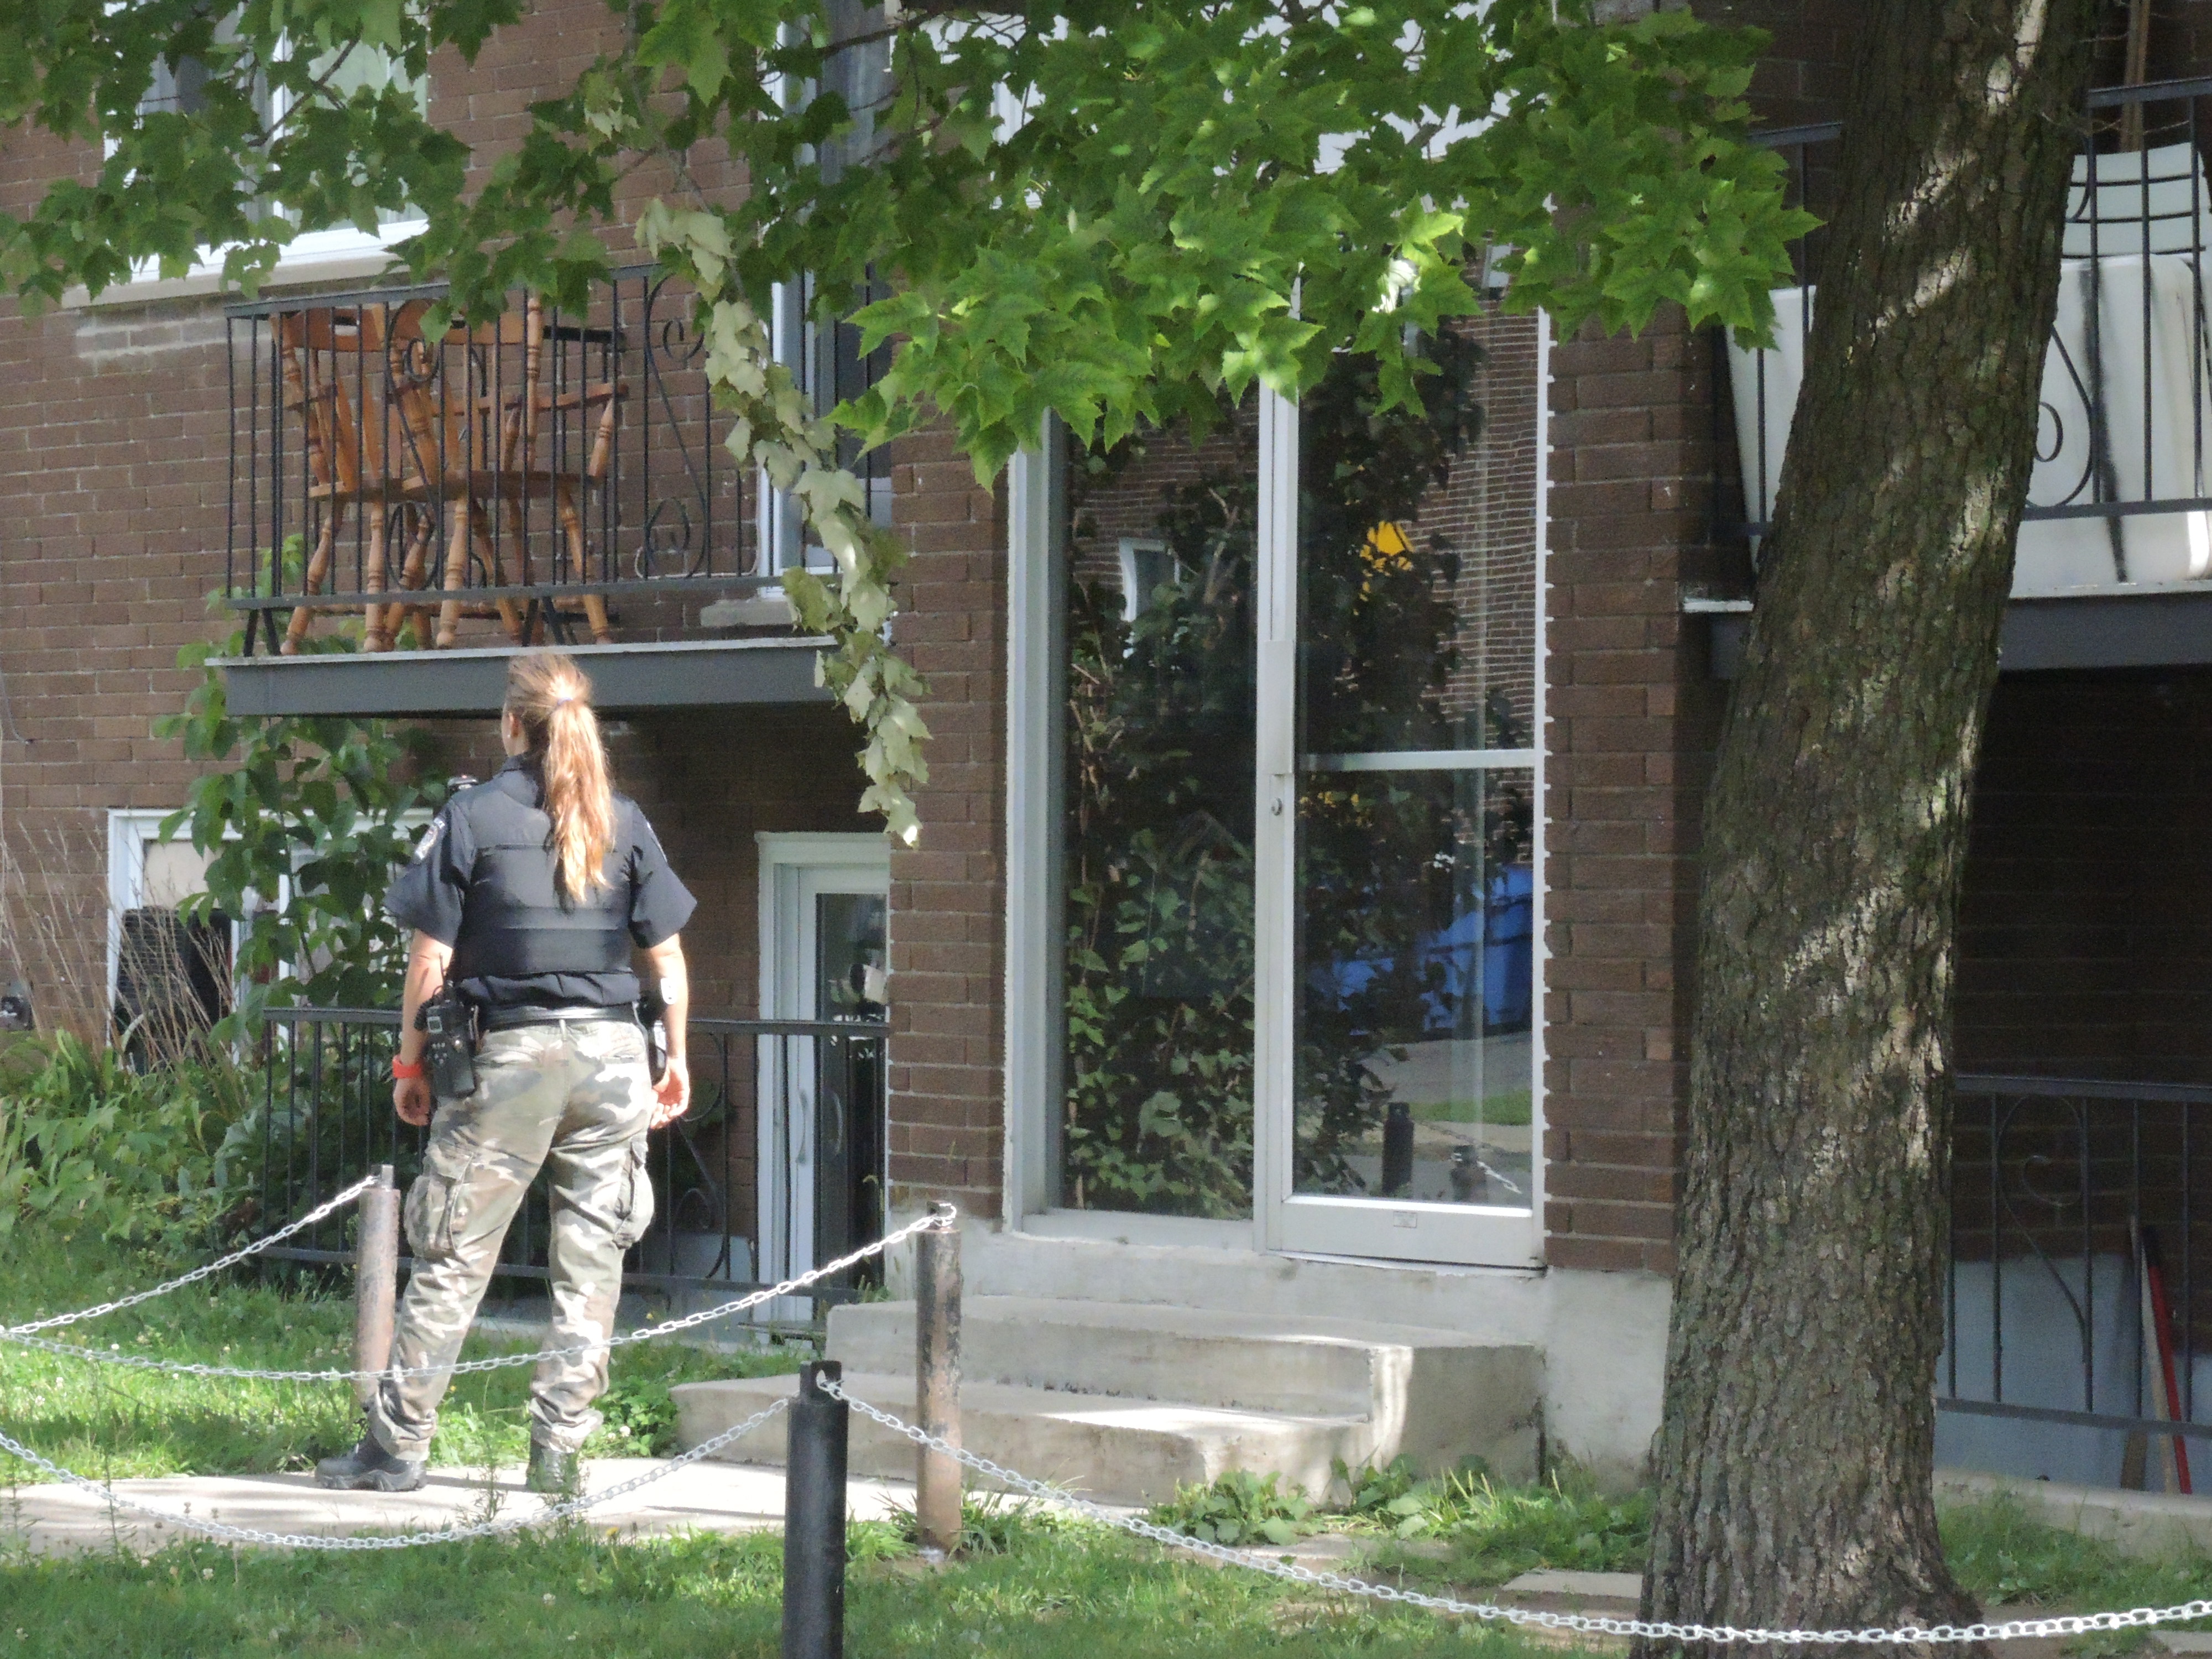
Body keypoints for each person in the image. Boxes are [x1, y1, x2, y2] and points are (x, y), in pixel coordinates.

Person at [316, 651, 697, 1496]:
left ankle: (397, 1449)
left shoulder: (472, 815)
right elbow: (666, 958)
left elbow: (430, 961)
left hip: (511, 1059)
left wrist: (411, 1062)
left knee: (455, 1253)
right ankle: (557, 1457)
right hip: (614, 1060)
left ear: (512, 724)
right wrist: (674, 1059)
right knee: (591, 1265)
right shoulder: (622, 820)